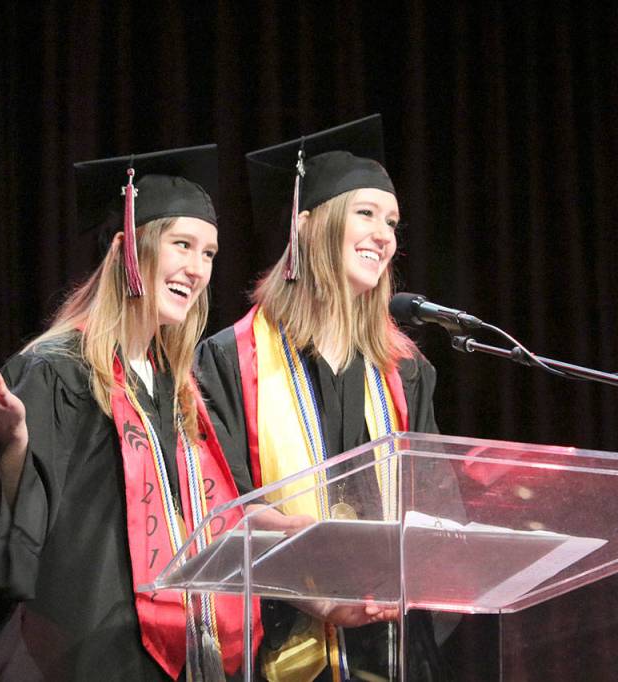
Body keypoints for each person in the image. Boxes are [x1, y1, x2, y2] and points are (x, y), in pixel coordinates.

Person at [0, 145, 260, 681]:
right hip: (81, 652)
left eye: (209, 253)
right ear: (128, 250)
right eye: (182, 245)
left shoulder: (181, 385)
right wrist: (15, 443)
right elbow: (1, 525)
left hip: (176, 652)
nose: (198, 268)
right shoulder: (55, 369)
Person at [196, 116, 448, 682]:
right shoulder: (230, 362)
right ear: (308, 225)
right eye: (366, 213)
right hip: (275, 645)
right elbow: (217, 513)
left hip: (393, 648)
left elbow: (435, 507)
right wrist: (320, 597)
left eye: (392, 222)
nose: (385, 235)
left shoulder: (405, 372)